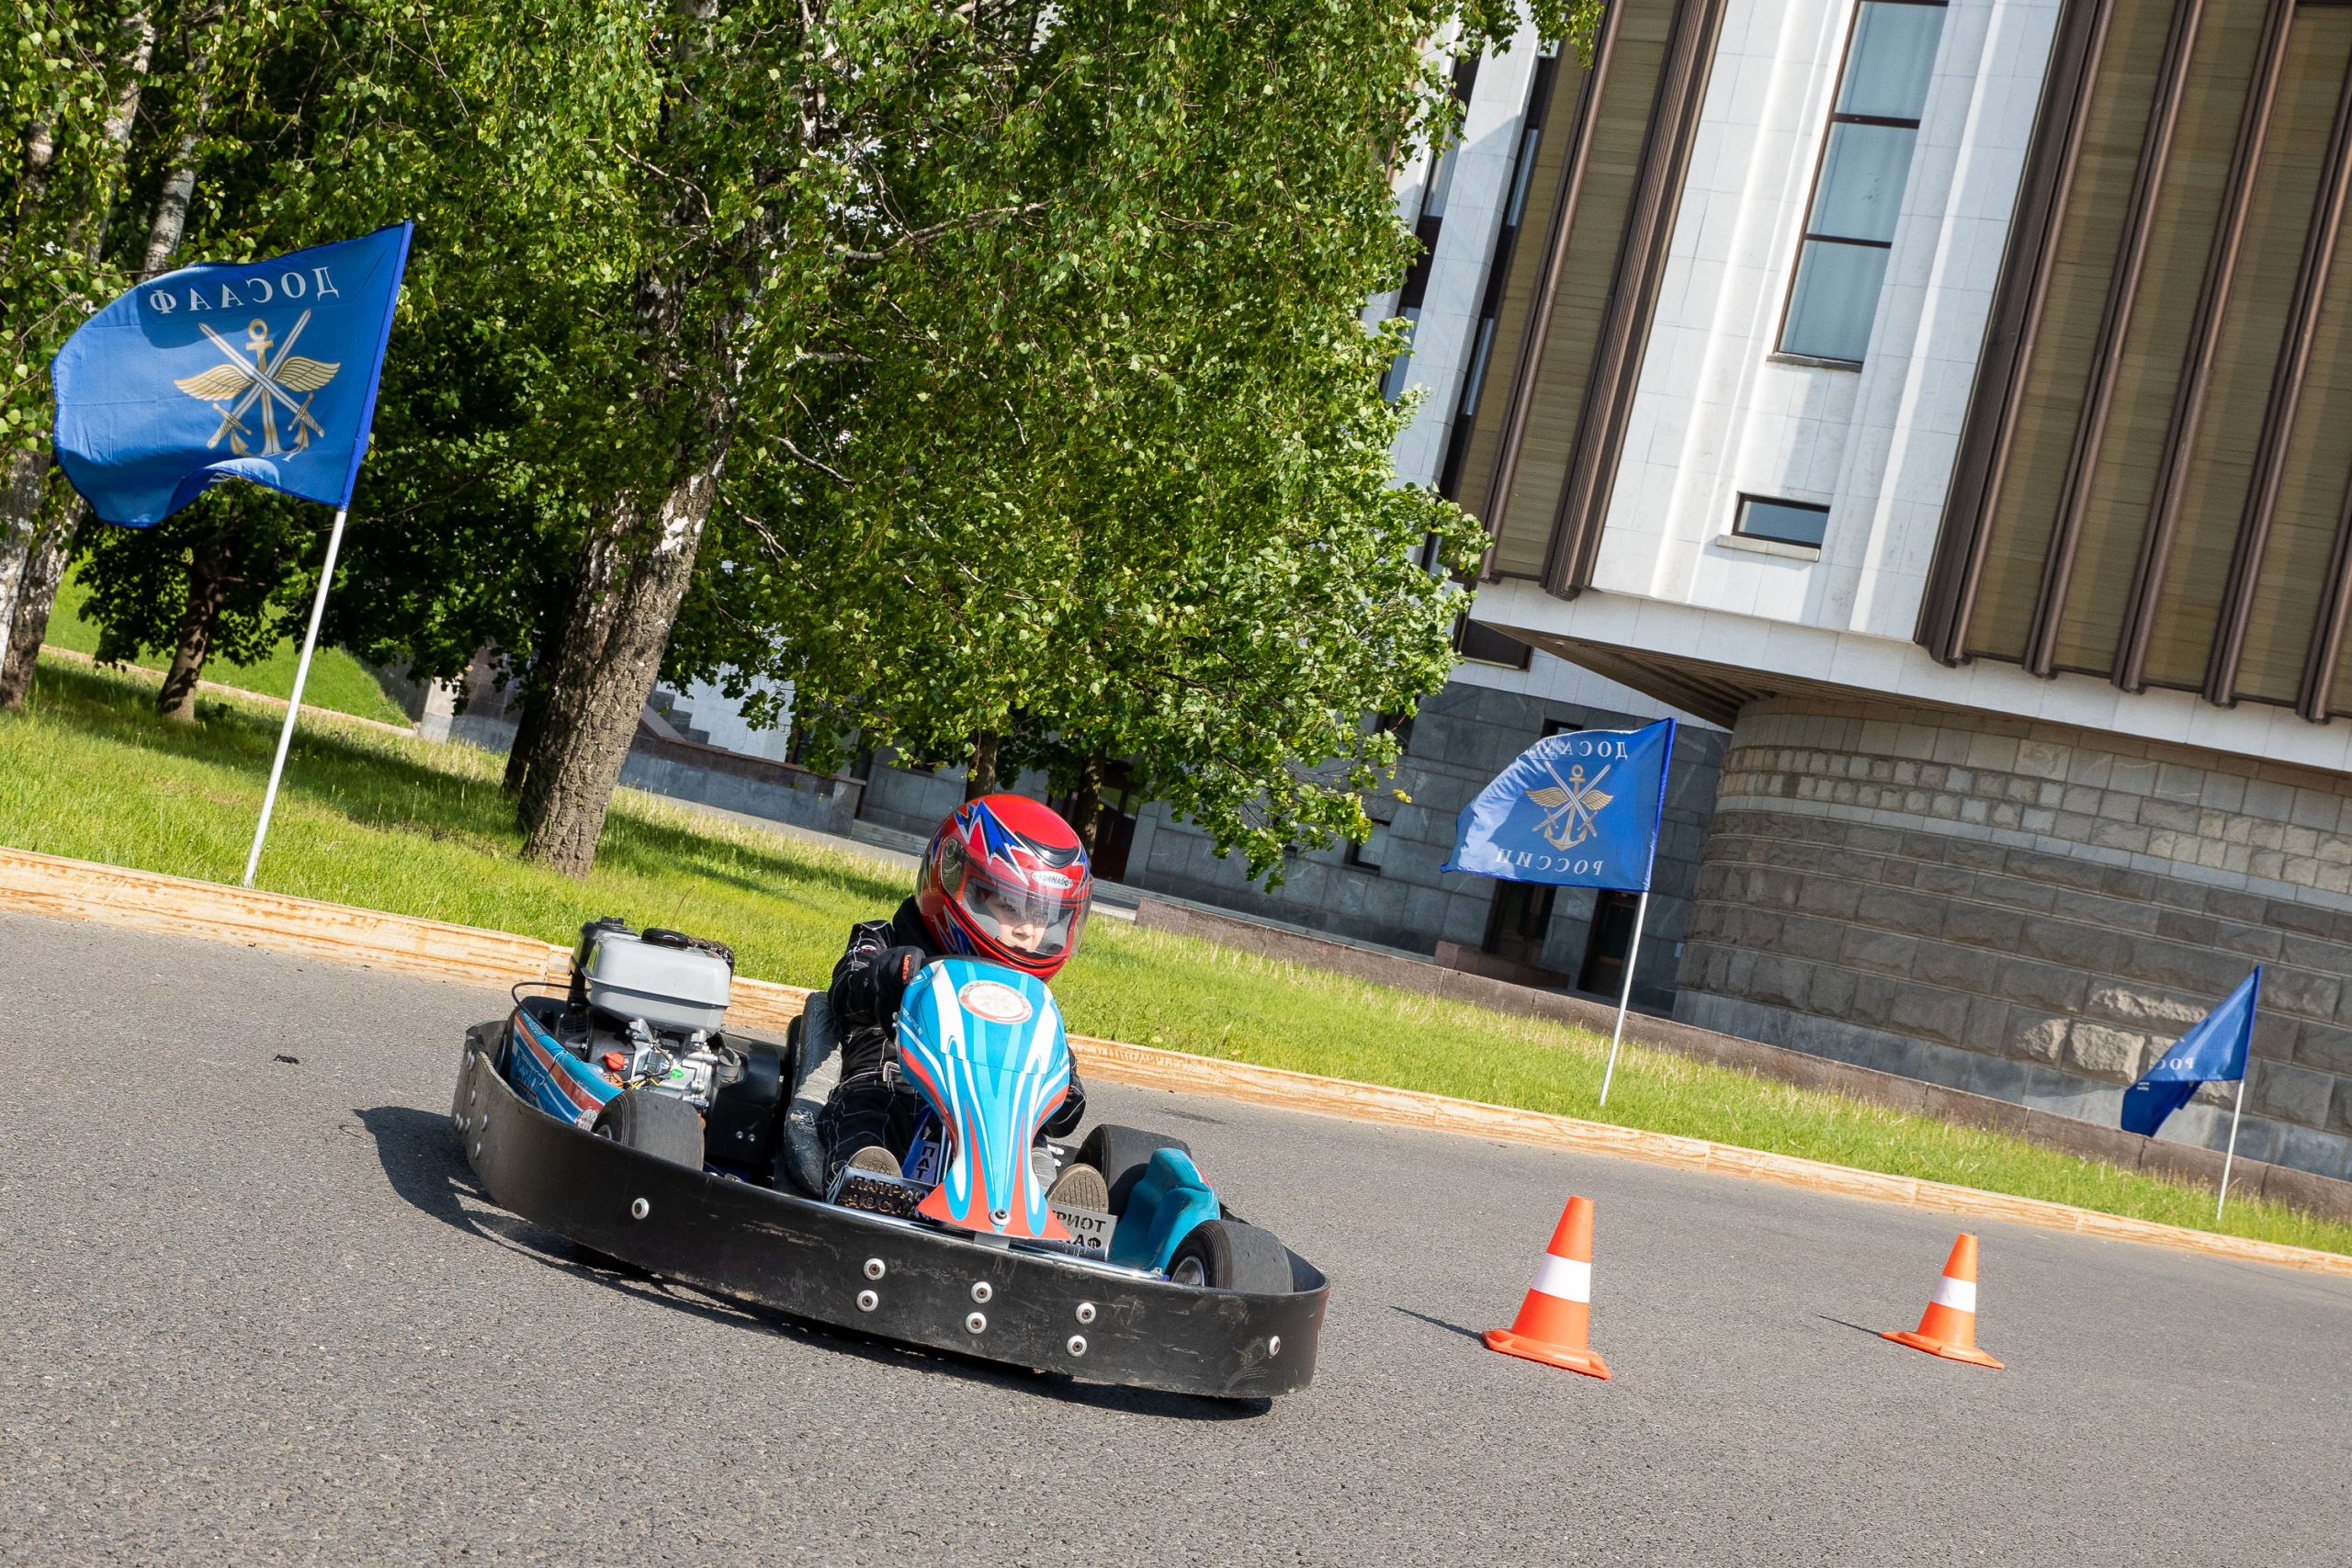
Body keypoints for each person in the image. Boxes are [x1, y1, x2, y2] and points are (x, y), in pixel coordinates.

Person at [818, 793, 1105, 1210]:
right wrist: (886, 976)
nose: (1029, 932)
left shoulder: (1029, 998)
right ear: (955, 880)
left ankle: (1053, 1215)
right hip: (891, 1083)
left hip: (1000, 1110)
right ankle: (867, 1187)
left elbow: (1066, 1107)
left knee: (1033, 1150)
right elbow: (845, 993)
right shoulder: (883, 939)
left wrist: (1061, 1090)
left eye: (1044, 917)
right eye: (1011, 907)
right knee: (869, 1119)